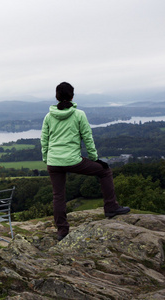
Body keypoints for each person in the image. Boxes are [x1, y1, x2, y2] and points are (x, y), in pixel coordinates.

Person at [41, 82, 130, 241]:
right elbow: (88, 138)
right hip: (73, 160)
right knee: (105, 171)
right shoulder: (79, 114)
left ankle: (62, 231)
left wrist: (46, 159)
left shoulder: (49, 116)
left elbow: (44, 140)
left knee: (58, 196)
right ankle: (110, 206)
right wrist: (95, 159)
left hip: (53, 162)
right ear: (72, 96)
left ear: (57, 97)